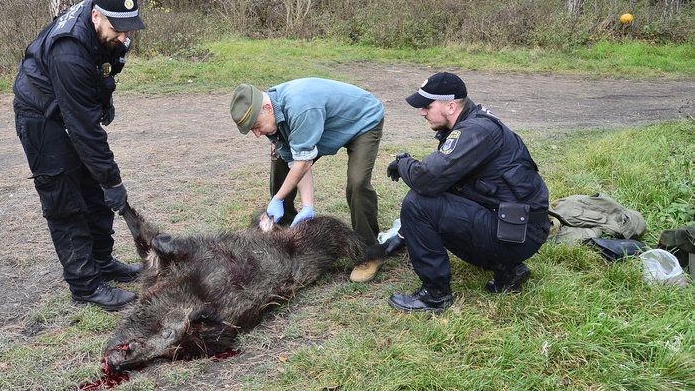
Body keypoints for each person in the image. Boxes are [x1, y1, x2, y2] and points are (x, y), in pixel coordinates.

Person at [13, 0, 145, 312]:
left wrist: (105, 97)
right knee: (65, 200)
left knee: (95, 195)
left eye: (128, 29)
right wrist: (113, 180)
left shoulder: (107, 24)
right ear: (96, 17)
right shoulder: (69, 51)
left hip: (70, 104)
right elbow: (85, 132)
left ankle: (102, 262)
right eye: (118, 30)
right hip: (41, 114)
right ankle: (85, 284)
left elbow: (105, 66)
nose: (124, 37)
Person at [386, 72, 549, 313]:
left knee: (418, 203)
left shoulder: (475, 130)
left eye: (427, 106)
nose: (422, 112)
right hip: (517, 227)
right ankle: (508, 269)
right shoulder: (473, 122)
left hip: (519, 232)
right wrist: (403, 234)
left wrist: (403, 163)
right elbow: (447, 184)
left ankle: (435, 295)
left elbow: (428, 180)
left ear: (450, 106)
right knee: (438, 201)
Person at [230, 78, 386, 282]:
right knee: (280, 166)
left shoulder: (300, 108)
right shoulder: (272, 118)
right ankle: (284, 228)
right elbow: (296, 162)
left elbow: (303, 163)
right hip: (323, 123)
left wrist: (276, 198)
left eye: (256, 126)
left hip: (362, 121)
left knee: (357, 182)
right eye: (252, 130)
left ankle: (369, 252)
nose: (257, 134)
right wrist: (308, 206)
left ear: (267, 107)